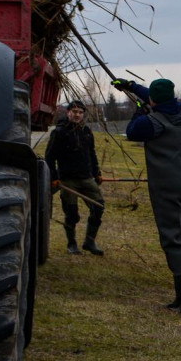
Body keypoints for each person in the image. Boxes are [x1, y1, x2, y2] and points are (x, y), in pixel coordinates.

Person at [116, 77, 181, 314]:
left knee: (172, 239)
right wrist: (131, 87)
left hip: (168, 186)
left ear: (153, 100)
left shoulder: (152, 122)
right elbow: (155, 98)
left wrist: (137, 111)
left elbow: (132, 131)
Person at [45, 100, 105, 256]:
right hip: (68, 180)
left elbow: (91, 154)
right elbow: (49, 157)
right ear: (68, 112)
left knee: (98, 207)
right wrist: (54, 177)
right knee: (72, 214)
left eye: (80, 112)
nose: (77, 115)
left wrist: (96, 172)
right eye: (74, 111)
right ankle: (71, 244)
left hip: (86, 178)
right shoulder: (59, 132)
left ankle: (89, 242)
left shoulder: (86, 131)